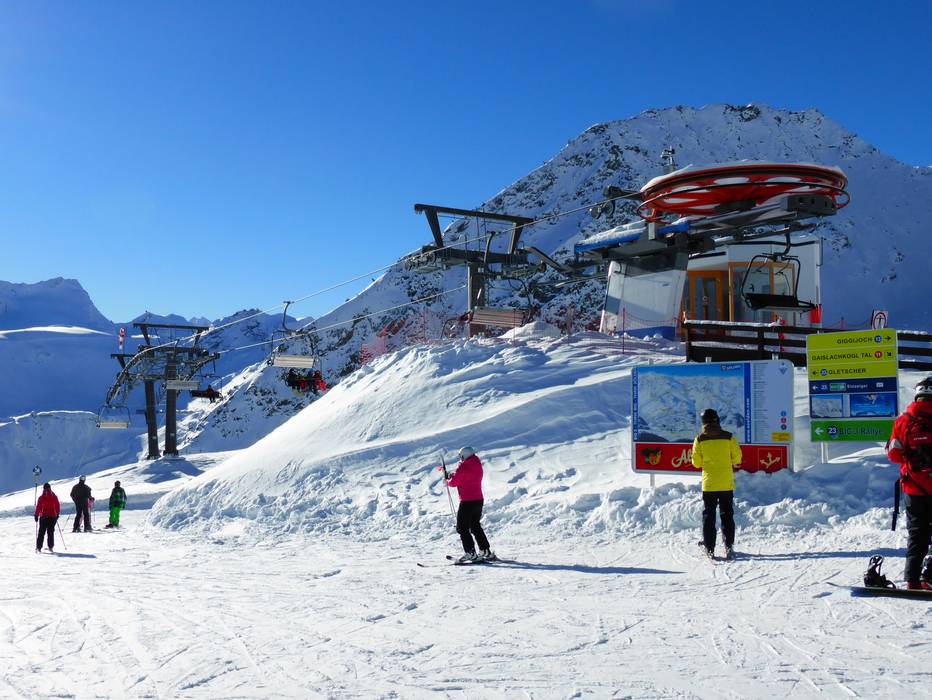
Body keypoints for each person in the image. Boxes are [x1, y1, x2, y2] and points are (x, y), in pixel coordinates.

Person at [886, 377, 932, 590]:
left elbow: (894, 455)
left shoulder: (903, 421)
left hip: (914, 487)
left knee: (917, 533)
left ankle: (913, 580)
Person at [691, 408, 743, 559]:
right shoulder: (729, 437)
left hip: (709, 484)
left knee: (709, 516)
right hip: (726, 483)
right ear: (717, 420)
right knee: (727, 515)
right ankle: (729, 547)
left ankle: (709, 548)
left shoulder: (699, 439)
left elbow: (696, 462)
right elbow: (737, 458)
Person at [446, 446, 494, 563]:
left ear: (464, 455)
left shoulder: (463, 467)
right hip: (478, 500)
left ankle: (470, 553)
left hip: (467, 501)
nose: (460, 458)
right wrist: (453, 475)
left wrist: (447, 479)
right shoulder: (477, 464)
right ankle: (485, 551)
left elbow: (454, 482)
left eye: (461, 456)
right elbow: (465, 477)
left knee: (462, 528)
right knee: (475, 526)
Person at [34, 482, 61, 552]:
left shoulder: (41, 497)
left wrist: (36, 515)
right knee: (50, 532)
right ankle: (50, 547)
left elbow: (38, 507)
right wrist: (57, 514)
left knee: (41, 532)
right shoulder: (54, 496)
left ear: (43, 489)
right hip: (53, 517)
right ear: (50, 488)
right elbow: (57, 506)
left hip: (43, 517)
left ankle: (39, 547)